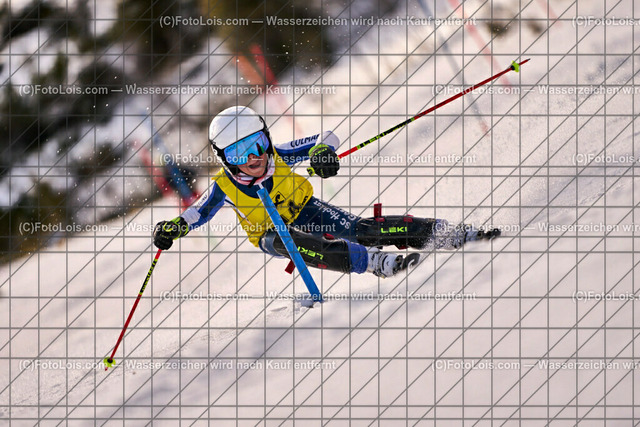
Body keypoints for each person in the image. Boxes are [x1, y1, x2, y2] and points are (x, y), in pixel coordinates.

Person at [153, 106, 500, 278]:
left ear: (267, 139)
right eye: (239, 154)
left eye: (257, 145)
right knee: (297, 243)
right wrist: (172, 227)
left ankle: (445, 234)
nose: (254, 158)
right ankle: (375, 263)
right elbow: (196, 212)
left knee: (362, 229)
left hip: (306, 208)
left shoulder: (279, 155)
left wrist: (322, 153)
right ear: (224, 159)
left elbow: (325, 137)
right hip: (271, 233)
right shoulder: (224, 185)